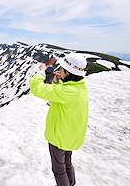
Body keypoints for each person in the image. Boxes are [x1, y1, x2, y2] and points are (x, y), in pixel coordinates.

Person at [30, 53, 89, 186]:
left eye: (62, 69)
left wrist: (40, 73)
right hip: (70, 135)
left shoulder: (67, 91)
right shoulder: (79, 87)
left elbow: (37, 89)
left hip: (59, 137)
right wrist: (58, 82)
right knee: (67, 164)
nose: (59, 70)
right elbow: (62, 95)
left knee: (59, 170)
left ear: (67, 72)